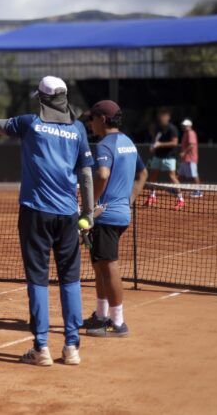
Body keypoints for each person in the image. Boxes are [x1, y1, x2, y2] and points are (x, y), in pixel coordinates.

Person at [0, 75, 95, 367]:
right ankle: (72, 348)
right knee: (70, 279)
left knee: (38, 279)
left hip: (35, 213)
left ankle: (41, 348)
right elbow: (85, 174)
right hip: (69, 215)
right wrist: (88, 213)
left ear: (43, 99)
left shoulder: (30, 123)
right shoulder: (79, 129)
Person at [81, 100, 147, 338]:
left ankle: (118, 322)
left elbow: (102, 174)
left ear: (103, 119)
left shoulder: (104, 145)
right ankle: (100, 316)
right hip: (118, 214)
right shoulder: (128, 143)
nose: (90, 123)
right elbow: (143, 173)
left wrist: (89, 208)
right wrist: (128, 200)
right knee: (100, 267)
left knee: (108, 267)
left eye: (92, 119)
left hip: (105, 216)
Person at [145, 108, 182, 210]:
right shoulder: (158, 128)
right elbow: (155, 140)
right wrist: (153, 146)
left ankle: (180, 199)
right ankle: (152, 195)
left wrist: (160, 144)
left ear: (168, 117)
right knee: (152, 176)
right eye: (160, 116)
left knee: (172, 177)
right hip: (157, 156)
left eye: (164, 116)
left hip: (169, 157)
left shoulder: (172, 129)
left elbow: (174, 143)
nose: (161, 118)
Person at [178, 119, 203, 198]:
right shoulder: (185, 133)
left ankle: (199, 191)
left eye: (186, 126)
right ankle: (175, 189)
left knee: (194, 175)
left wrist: (183, 152)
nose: (184, 127)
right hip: (185, 158)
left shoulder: (191, 133)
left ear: (190, 126)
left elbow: (191, 145)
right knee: (179, 175)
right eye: (183, 125)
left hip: (191, 158)